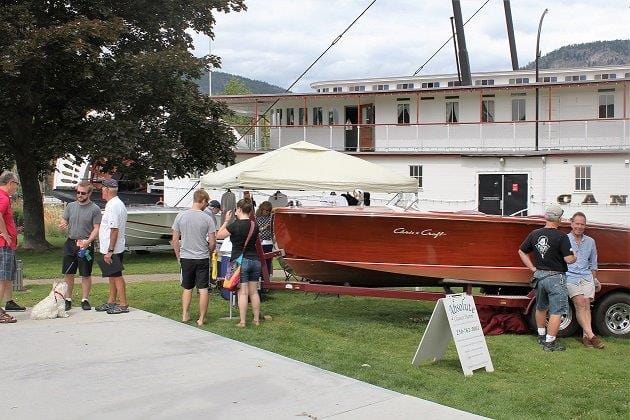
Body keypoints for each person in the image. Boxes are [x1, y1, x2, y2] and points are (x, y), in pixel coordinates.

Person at [518, 204, 576, 351]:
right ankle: (550, 343)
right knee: (557, 310)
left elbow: (521, 251)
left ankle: (541, 335)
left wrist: (532, 268)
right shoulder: (562, 236)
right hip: (556, 277)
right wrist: (575, 256)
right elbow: (569, 259)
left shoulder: (534, 233)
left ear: (546, 217)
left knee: (541, 307)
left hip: (539, 277)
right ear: (559, 219)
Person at [172, 189, 216, 326]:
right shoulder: (208, 218)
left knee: (187, 287)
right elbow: (213, 242)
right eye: (206, 202)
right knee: (203, 289)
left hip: (186, 257)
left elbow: (174, 239)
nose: (206, 205)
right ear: (202, 200)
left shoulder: (180, 216)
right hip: (202, 257)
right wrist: (209, 251)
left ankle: (185, 314)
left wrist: (178, 255)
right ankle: (201, 319)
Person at [217, 198, 261, 327]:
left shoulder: (235, 225)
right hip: (255, 260)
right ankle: (256, 320)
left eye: (236, 209)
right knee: (254, 292)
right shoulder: (255, 225)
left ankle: (242, 321)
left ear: (240, 209)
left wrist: (226, 221)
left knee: (243, 292)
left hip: (240, 261)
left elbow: (219, 235)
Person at [58, 181, 102, 311]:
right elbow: (64, 219)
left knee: (85, 273)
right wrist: (63, 224)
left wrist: (88, 241)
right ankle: (68, 299)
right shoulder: (70, 206)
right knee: (68, 272)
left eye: (83, 193)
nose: (79, 195)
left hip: (85, 245)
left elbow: (96, 228)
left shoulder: (95, 209)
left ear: (89, 194)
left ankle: (85, 299)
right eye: (78, 192)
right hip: (71, 243)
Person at [566, 212, 604, 349]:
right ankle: (592, 335)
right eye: (577, 223)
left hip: (587, 276)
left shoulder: (590, 241)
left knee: (587, 305)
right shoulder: (564, 239)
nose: (579, 226)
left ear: (585, 226)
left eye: (582, 224)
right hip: (570, 276)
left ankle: (586, 337)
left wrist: (594, 280)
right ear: (571, 223)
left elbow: (593, 263)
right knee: (580, 302)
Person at [95, 178, 129, 314]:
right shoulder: (115, 204)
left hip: (113, 248)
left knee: (116, 275)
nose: (101, 191)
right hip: (111, 247)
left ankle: (123, 304)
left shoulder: (113, 206)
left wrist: (110, 250)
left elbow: (114, 229)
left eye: (102, 189)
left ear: (107, 190)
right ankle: (111, 301)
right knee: (111, 274)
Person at [0, 171, 23, 322]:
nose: (16, 187)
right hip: (3, 244)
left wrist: (14, 232)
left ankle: (8, 302)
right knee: (3, 277)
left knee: (8, 275)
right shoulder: (3, 197)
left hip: (7, 244)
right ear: (10, 183)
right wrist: (6, 234)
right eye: (16, 184)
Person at [256, 201, 273, 280]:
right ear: (261, 209)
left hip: (269, 243)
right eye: (265, 210)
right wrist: (264, 228)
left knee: (268, 262)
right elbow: (256, 230)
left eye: (268, 211)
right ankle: (259, 279)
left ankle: (266, 280)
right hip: (260, 243)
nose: (267, 212)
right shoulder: (257, 218)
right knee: (260, 263)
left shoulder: (271, 219)